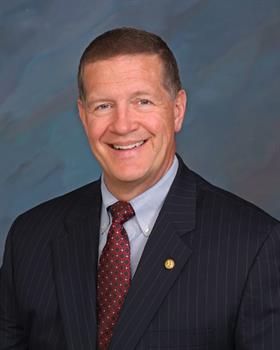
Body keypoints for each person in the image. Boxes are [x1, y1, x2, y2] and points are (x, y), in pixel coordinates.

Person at [0, 27, 279, 350]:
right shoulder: (30, 238)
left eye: (142, 101)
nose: (123, 125)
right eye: (103, 106)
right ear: (82, 115)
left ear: (177, 110)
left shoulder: (255, 246)